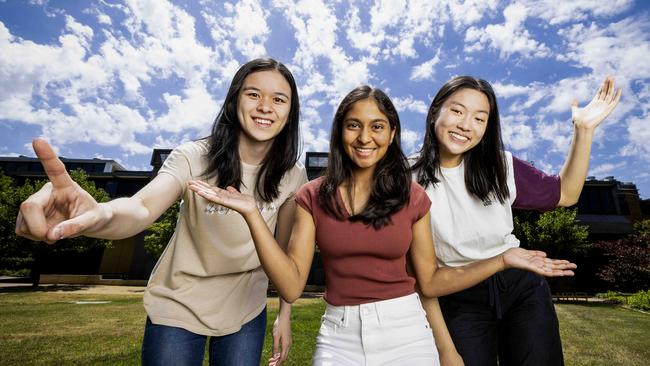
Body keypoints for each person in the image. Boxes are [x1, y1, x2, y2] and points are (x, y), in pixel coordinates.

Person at [188, 85, 576, 365]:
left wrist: (503, 260)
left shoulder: (411, 195)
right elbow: (291, 283)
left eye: (377, 127)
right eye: (353, 125)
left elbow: (428, 280)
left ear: (392, 135)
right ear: (339, 131)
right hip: (338, 333)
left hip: (406, 329)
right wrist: (254, 215)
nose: (364, 137)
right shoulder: (311, 195)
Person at [15, 58, 307, 366]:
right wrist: (97, 214)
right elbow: (141, 207)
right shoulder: (193, 157)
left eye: (278, 99)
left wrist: (283, 316)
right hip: (178, 303)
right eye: (253, 94)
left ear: (290, 113)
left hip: (246, 308)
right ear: (234, 101)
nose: (265, 106)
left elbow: (285, 255)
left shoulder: (292, 175)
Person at [411, 75, 621, 365]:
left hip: (521, 288)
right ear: (435, 111)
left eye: (479, 118)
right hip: (457, 295)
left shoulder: (500, 164)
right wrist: (446, 349)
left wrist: (583, 131)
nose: (465, 125)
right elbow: (422, 280)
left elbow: (566, 193)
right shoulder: (406, 179)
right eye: (457, 111)